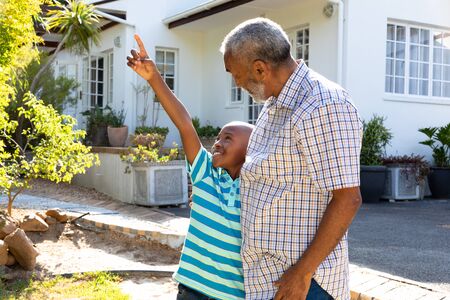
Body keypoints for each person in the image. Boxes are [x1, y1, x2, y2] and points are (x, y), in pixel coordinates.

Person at [220, 18, 363, 300]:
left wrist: (302, 272)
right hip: (269, 280)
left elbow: (347, 198)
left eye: (235, 74)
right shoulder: (274, 104)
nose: (236, 83)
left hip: (303, 285)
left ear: (260, 68)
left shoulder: (323, 104)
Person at [127, 34, 253, 300]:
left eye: (228, 139)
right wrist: (154, 78)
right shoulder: (206, 173)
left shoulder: (256, 188)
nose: (217, 143)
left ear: (249, 152)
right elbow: (185, 123)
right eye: (218, 137)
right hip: (191, 290)